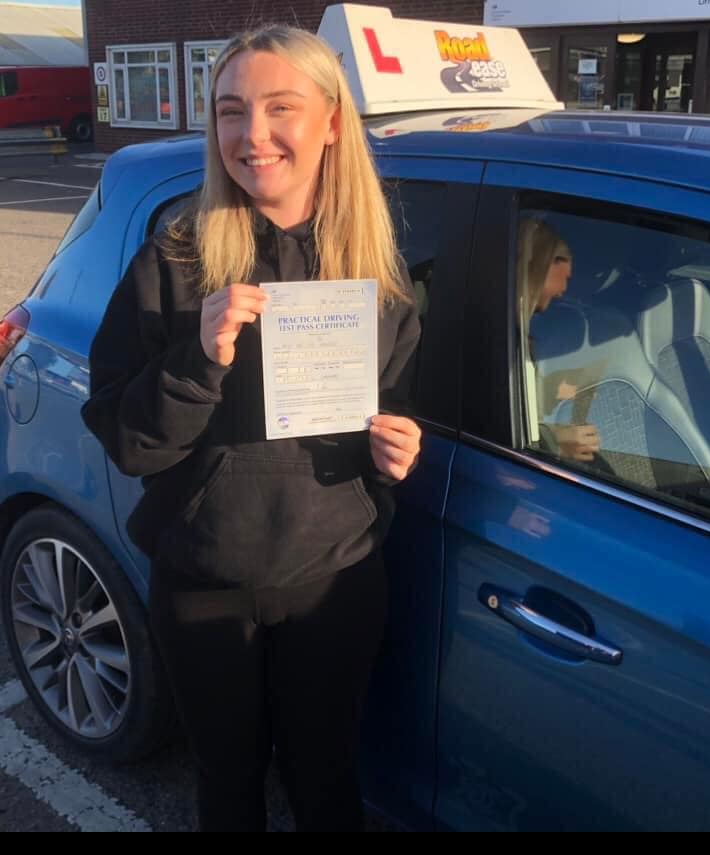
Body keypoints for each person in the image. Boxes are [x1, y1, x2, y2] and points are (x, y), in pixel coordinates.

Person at [80, 24, 422, 832]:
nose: (252, 134)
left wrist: (398, 451)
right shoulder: (176, 260)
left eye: (279, 108)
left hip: (333, 577)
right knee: (228, 786)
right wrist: (198, 359)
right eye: (231, 111)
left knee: (326, 780)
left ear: (331, 121)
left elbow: (398, 419)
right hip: (204, 582)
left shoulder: (380, 277)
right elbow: (130, 443)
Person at [517, 217, 600, 463]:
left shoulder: (520, 330)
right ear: (541, 264)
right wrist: (556, 443)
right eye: (564, 276)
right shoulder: (499, 335)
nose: (564, 290)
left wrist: (555, 389)